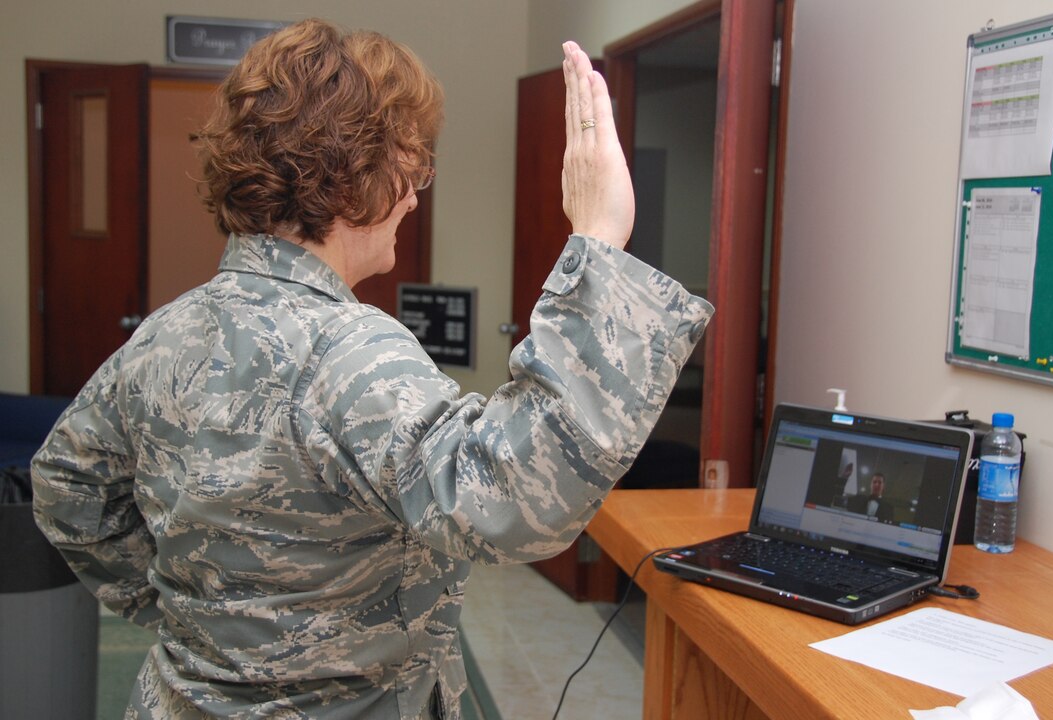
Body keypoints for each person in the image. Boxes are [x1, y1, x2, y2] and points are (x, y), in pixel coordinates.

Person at [30, 18, 712, 720]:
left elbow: (66, 485)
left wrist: (196, 614)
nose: (416, 195)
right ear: (351, 171)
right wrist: (598, 240)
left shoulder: (164, 331)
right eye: (411, 167)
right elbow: (510, 501)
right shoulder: (347, 349)